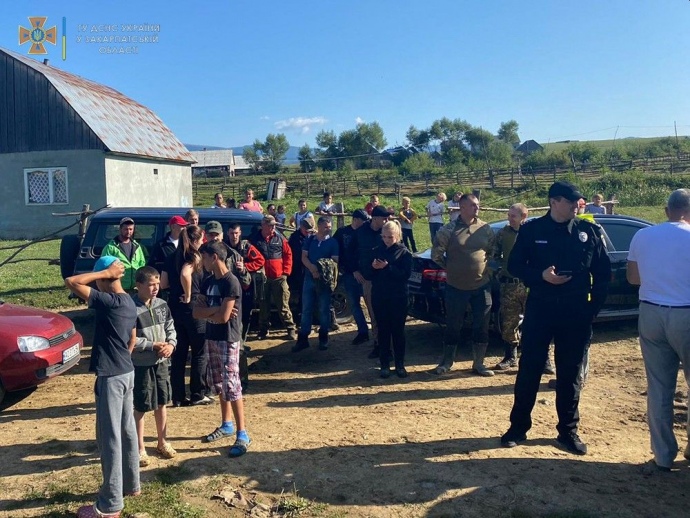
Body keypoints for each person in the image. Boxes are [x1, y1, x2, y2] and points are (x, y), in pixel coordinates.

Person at [501, 181, 611, 455]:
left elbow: (603, 273)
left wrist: (592, 310)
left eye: (579, 202)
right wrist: (540, 275)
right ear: (554, 201)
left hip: (575, 313)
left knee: (570, 373)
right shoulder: (532, 231)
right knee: (530, 370)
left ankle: (567, 432)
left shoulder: (588, 231)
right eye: (572, 201)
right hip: (541, 309)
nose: (577, 205)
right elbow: (514, 265)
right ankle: (518, 428)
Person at [65, 257, 139, 518]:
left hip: (112, 375)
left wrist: (104, 272)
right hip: (127, 371)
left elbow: (71, 281)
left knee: (110, 437)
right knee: (127, 430)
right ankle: (131, 485)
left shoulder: (108, 302)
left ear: (105, 279)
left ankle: (110, 505)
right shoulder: (129, 301)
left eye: (99, 280)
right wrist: (124, 357)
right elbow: (132, 336)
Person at [626, 188, 690, 471]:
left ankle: (663, 455)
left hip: (651, 311)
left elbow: (632, 278)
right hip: (686, 312)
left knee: (659, 387)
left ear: (667, 211)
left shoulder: (643, 235)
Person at [193, 241, 251, 457]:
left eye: (204, 257)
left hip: (228, 338)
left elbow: (225, 318)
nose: (202, 262)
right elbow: (196, 313)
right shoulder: (207, 281)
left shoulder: (231, 282)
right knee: (218, 382)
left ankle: (242, 432)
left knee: (232, 383)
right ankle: (226, 424)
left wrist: (213, 313)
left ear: (214, 257)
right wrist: (216, 309)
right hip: (212, 336)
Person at [432, 194, 495, 377]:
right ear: (462, 207)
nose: (477, 208)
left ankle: (479, 363)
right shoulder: (448, 230)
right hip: (456, 287)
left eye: (478, 205)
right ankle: (447, 362)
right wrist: (452, 269)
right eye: (473, 205)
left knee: (481, 325)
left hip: (481, 286)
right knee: (453, 324)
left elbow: (492, 252)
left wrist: (486, 271)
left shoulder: (485, 228)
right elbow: (437, 255)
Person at [129, 266, 177, 467]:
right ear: (138, 286)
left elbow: (170, 328)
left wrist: (171, 346)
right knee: (141, 405)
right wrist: (152, 345)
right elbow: (130, 340)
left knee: (162, 402)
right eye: (151, 285)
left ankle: (162, 441)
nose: (155, 288)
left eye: (157, 284)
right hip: (142, 364)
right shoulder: (131, 309)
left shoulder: (162, 305)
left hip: (162, 363)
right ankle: (139, 448)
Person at [161, 225, 211, 407]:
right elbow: (185, 273)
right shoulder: (194, 256)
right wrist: (189, 294)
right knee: (199, 352)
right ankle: (198, 393)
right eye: (202, 239)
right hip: (193, 307)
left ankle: (178, 396)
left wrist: (177, 291)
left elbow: (163, 283)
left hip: (175, 307)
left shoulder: (171, 256)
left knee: (179, 353)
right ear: (196, 240)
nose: (203, 242)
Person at [371, 220, 413, 378]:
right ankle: (384, 364)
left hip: (398, 297)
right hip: (380, 296)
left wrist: (388, 267)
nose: (386, 240)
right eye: (384, 236)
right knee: (383, 331)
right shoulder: (376, 250)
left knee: (398, 331)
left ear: (397, 236)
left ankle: (400, 365)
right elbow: (369, 274)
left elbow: (405, 275)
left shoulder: (404, 253)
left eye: (390, 237)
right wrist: (372, 267)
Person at [294, 217, 340, 352]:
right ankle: (303, 339)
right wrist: (313, 269)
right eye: (326, 227)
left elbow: (335, 261)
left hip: (324, 281)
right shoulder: (310, 240)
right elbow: (303, 257)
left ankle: (323, 338)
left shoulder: (333, 242)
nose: (329, 229)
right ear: (319, 226)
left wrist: (320, 271)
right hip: (309, 278)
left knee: (324, 309)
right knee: (307, 308)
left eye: (330, 226)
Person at [350, 205, 389, 358]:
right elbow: (350, 252)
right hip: (369, 279)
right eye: (384, 218)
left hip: (386, 279)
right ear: (375, 218)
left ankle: (387, 345)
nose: (387, 220)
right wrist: (354, 270)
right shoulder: (360, 233)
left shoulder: (387, 233)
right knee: (374, 314)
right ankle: (378, 344)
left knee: (387, 313)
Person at [493, 203, 529, 370]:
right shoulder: (503, 233)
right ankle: (510, 356)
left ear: (523, 217)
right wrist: (502, 268)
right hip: (509, 285)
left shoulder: (532, 232)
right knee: (509, 322)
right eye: (508, 215)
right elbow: (494, 253)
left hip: (529, 285)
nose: (509, 219)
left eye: (513, 216)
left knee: (537, 322)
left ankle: (543, 360)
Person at [250, 215, 297, 340]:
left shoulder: (280, 238)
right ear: (263, 225)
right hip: (262, 278)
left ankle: (290, 328)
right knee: (263, 306)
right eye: (270, 225)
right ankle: (263, 330)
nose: (273, 227)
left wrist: (286, 272)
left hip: (279, 277)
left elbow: (288, 254)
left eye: (274, 225)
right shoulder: (255, 239)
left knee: (283, 305)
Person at [333, 209, 371, 345]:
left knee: (370, 303)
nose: (366, 222)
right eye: (364, 220)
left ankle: (377, 331)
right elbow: (337, 251)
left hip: (365, 274)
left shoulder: (365, 233)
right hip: (349, 273)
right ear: (356, 219)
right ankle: (363, 331)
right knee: (354, 304)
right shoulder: (342, 232)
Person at [225, 222, 266, 336]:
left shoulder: (246, 246)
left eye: (236, 233)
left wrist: (245, 267)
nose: (234, 236)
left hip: (245, 286)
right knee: (229, 313)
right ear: (228, 233)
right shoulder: (223, 247)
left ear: (240, 233)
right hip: (228, 286)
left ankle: (242, 340)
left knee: (245, 314)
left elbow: (260, 260)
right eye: (232, 233)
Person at [101, 217, 147, 292]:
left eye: (131, 229)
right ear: (120, 229)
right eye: (126, 229)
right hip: (118, 288)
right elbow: (104, 267)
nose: (128, 231)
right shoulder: (111, 247)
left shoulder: (137, 246)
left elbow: (142, 265)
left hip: (135, 288)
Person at [287, 217, 315, 322]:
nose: (308, 233)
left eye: (310, 231)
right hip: (299, 270)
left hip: (311, 269)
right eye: (306, 230)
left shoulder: (313, 236)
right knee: (302, 296)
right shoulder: (295, 238)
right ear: (302, 227)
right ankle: (300, 318)